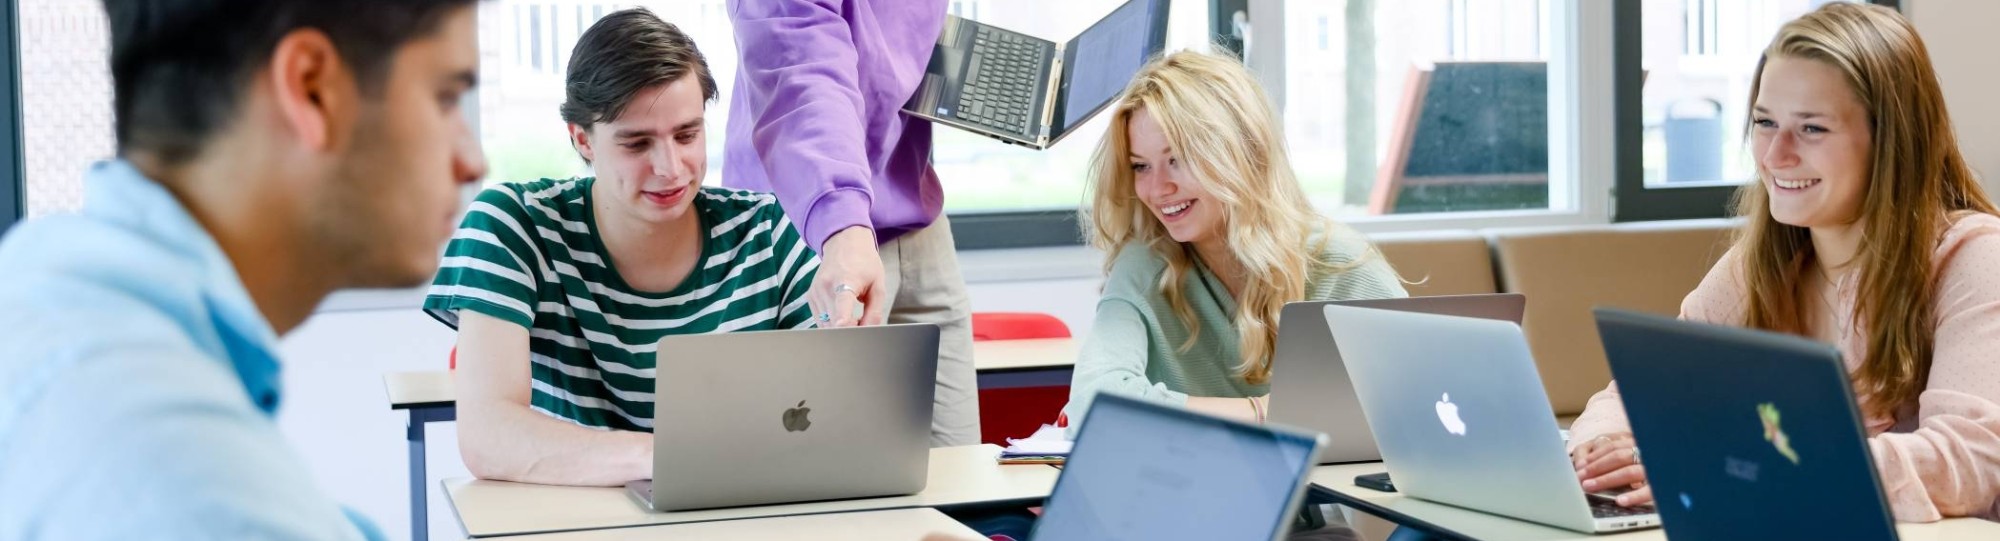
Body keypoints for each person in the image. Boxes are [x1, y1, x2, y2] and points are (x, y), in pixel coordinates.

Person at [0, 0, 485, 538]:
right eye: (446, 98)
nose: (472, 161)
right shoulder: (168, 465)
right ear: (311, 88)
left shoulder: (48, 283)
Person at [1567, 3, 2000, 521]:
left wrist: (1733, 465)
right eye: (1764, 122)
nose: (1774, 156)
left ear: (1893, 140)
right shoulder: (1762, 266)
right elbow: (1635, 398)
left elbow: (1965, 464)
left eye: (1812, 129)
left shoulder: (1976, 258)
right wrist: (1605, 451)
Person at [424, 9, 819, 487]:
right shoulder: (513, 225)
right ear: (582, 139)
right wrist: (669, 457)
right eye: (637, 144)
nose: (671, 168)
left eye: (687, 135)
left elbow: (835, 409)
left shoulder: (765, 230)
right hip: (576, 520)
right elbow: (488, 436)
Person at [1060, 51, 1408, 428]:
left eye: (1178, 158)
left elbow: (1416, 399)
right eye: (1140, 166)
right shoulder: (1145, 262)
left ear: (1240, 152)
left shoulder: (1341, 263)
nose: (1158, 188)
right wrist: (1266, 413)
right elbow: (1092, 403)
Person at [724, 0, 980, 446]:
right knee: (823, 473)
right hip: (813, 225)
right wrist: (842, 228)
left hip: (914, 208)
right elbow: (799, 68)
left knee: (959, 472)